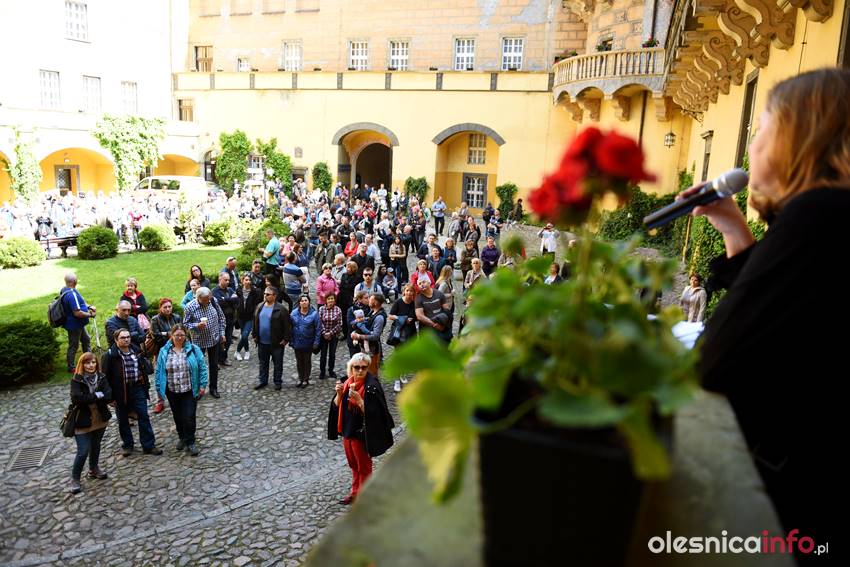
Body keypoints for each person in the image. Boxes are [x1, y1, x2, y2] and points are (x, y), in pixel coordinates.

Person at [692, 69, 849, 554]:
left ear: (794, 139)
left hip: (798, 504)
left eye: (760, 128)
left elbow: (717, 362)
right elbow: (791, 318)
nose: (752, 144)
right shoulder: (829, 217)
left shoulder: (818, 214)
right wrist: (735, 232)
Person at [327, 353, 395, 505]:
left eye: (363, 368)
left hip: (361, 434)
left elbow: (377, 414)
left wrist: (360, 401)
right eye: (356, 367)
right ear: (351, 368)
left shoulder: (372, 387)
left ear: (368, 368)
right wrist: (339, 394)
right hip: (347, 431)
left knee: (363, 467)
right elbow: (336, 407)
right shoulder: (346, 383)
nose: (360, 371)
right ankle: (355, 492)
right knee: (353, 465)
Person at [103, 329, 161, 456]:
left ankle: (148, 445)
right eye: (123, 338)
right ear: (116, 340)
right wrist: (109, 397)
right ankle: (128, 445)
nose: (126, 340)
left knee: (143, 415)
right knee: (123, 419)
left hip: (137, 388)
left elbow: (143, 369)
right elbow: (105, 378)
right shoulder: (110, 356)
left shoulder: (136, 351)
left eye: (128, 337)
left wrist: (145, 386)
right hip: (120, 392)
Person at [155, 324, 207, 456]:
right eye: (177, 335)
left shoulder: (194, 349)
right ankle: (182, 437)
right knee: (177, 416)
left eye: (182, 335)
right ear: (171, 335)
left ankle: (190, 441)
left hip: (189, 389)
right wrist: (159, 388)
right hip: (172, 391)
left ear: (186, 335)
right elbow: (159, 370)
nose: (179, 337)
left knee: (189, 417)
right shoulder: (164, 351)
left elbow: (202, 367)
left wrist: (202, 385)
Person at [67, 352, 112, 494]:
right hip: (82, 419)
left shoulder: (102, 377)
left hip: (99, 417)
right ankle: (75, 478)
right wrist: (97, 395)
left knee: (96, 445)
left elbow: (108, 395)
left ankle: (93, 469)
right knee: (83, 450)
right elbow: (77, 399)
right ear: (82, 364)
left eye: (93, 362)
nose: (91, 365)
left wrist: (91, 397)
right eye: (87, 363)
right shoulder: (77, 380)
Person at [182, 287, 227, 398]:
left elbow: (221, 318)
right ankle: (198, 389)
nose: (208, 302)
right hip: (199, 342)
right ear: (198, 298)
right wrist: (196, 325)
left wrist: (222, 333)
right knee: (197, 366)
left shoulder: (213, 301)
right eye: (205, 300)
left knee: (214, 365)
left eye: (208, 299)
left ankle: (213, 388)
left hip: (214, 339)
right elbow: (185, 324)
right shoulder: (190, 307)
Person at [251, 286, 292, 390]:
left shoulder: (281, 309)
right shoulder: (259, 306)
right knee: (263, 363)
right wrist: (254, 335)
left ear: (274, 296)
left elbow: (287, 326)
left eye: (268, 294)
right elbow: (255, 321)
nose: (265, 296)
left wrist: (285, 339)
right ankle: (263, 380)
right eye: (264, 294)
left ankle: (277, 381)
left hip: (277, 343)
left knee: (278, 364)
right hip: (262, 342)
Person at [150, 298, 182, 414]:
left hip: (176, 349)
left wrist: (171, 335)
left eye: (169, 307)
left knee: (177, 373)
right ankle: (160, 401)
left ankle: (178, 396)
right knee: (160, 376)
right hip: (161, 351)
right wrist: (167, 334)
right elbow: (155, 335)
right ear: (160, 308)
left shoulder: (176, 317)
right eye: (165, 307)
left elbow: (181, 331)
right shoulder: (155, 319)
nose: (168, 309)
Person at [60, 272, 96, 374]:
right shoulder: (71, 294)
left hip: (77, 324)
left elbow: (79, 303)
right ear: (75, 281)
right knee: (73, 345)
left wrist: (89, 306)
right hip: (75, 325)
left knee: (86, 339)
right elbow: (77, 313)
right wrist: (90, 314)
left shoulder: (65, 289)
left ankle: (88, 360)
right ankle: (71, 367)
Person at [388, 284, 419, 392]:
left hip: (411, 333)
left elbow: (416, 317)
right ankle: (396, 380)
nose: (409, 293)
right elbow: (390, 316)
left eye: (411, 291)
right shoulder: (398, 302)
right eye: (407, 290)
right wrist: (402, 318)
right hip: (399, 333)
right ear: (404, 292)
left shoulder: (414, 303)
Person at [350, 293, 387, 376]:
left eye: (371, 299)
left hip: (372, 348)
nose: (369, 300)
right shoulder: (372, 312)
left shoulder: (379, 317)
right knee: (366, 371)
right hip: (365, 345)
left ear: (375, 302)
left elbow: (375, 336)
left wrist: (359, 336)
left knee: (372, 372)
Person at [290, 294, 321, 388]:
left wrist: (316, 342)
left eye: (305, 300)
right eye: (302, 301)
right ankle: (300, 378)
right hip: (297, 342)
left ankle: (305, 379)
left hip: (308, 342)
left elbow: (318, 329)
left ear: (309, 302)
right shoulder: (293, 313)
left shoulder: (314, 314)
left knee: (307, 361)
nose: (304, 302)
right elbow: (289, 327)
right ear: (299, 303)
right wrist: (291, 340)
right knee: (299, 361)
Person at [212, 272, 238, 367]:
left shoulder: (230, 290)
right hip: (219, 321)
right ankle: (217, 359)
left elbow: (236, 300)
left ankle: (224, 358)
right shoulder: (215, 291)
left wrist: (225, 300)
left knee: (228, 340)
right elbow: (219, 303)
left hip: (230, 320)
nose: (228, 282)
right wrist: (230, 300)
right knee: (220, 341)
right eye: (225, 280)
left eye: (228, 280)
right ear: (220, 279)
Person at [415, 277, 452, 342]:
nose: (422, 285)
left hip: (441, 325)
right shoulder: (418, 298)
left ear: (429, 282)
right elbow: (419, 316)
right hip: (427, 329)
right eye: (419, 284)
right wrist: (434, 325)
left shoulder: (439, 294)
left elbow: (447, 310)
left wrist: (443, 325)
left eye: (423, 282)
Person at [235, 274, 263, 361]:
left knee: (244, 335)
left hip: (250, 317)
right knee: (244, 335)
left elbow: (257, 303)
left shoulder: (254, 292)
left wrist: (253, 310)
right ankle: (247, 351)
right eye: (246, 280)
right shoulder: (238, 290)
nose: (248, 281)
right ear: (242, 281)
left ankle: (237, 351)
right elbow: (235, 301)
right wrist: (237, 307)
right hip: (240, 317)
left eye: (249, 280)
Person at [318, 293, 343, 380]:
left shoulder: (338, 310)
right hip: (323, 335)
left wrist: (330, 333)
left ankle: (331, 370)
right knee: (323, 355)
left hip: (334, 335)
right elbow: (319, 322)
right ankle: (322, 371)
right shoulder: (321, 309)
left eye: (332, 298)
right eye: (329, 299)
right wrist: (324, 333)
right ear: (326, 300)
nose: (330, 300)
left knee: (332, 354)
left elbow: (339, 324)